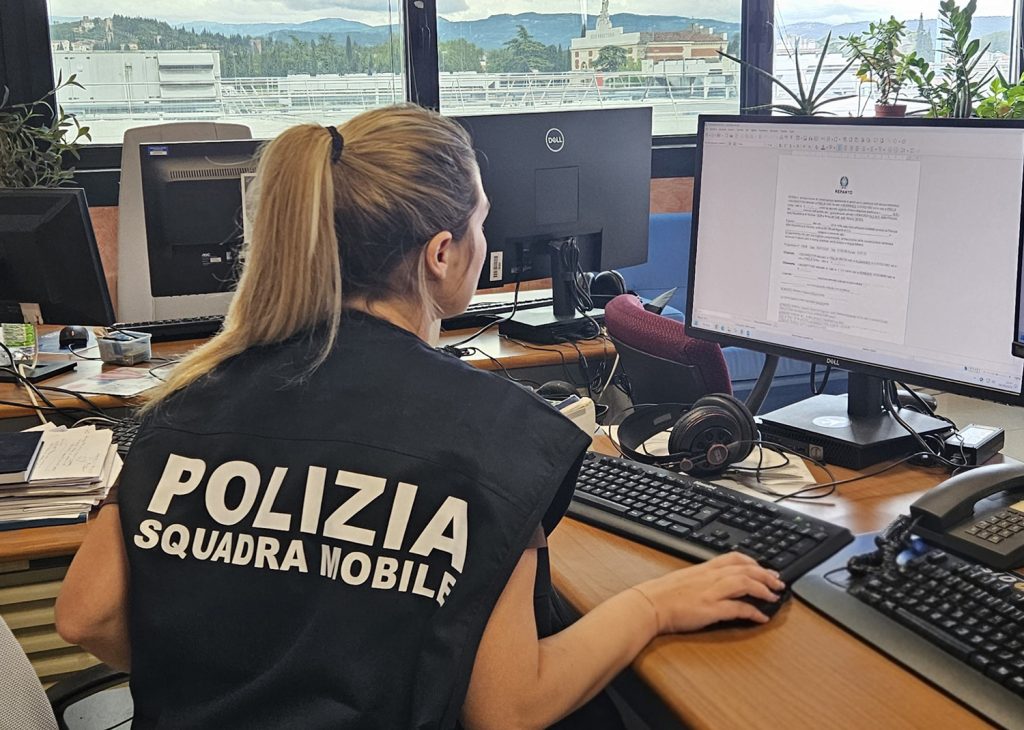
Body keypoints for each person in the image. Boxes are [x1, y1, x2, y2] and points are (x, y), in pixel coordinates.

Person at [55, 104, 785, 729]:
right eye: (481, 224)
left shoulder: (188, 398)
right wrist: (653, 606)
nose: (485, 242)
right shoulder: (495, 434)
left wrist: (240, 671)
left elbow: (86, 616)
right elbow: (510, 707)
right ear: (441, 253)